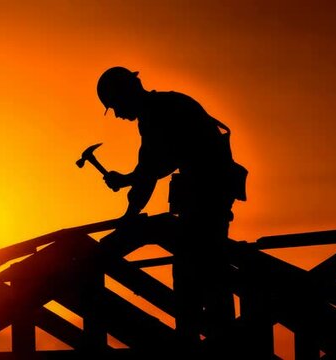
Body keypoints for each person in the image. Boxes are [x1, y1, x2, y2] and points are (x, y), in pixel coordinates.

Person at [96, 66, 247, 356]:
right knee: (206, 268)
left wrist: (128, 216)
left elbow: (151, 171)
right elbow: (155, 165)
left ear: (126, 93)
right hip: (209, 194)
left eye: (115, 106)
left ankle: (207, 344)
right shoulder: (165, 106)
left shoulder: (157, 114)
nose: (115, 114)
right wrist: (128, 179)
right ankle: (216, 338)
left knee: (196, 271)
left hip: (207, 195)